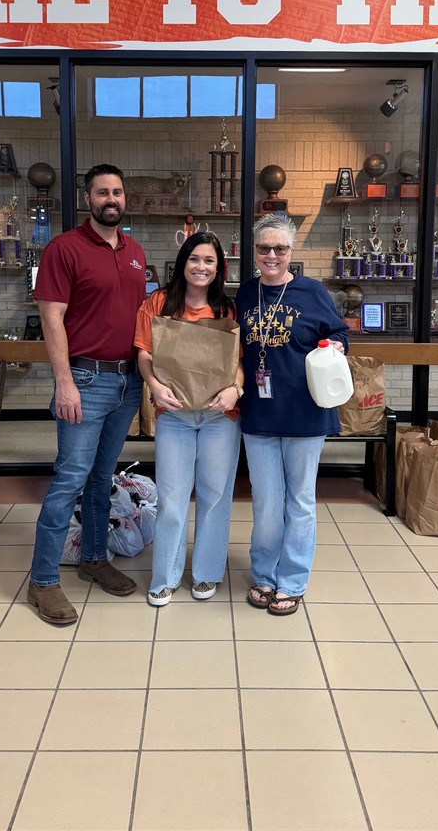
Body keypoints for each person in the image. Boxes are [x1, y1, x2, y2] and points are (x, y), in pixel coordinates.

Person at [28, 164, 145, 625]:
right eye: (102, 192)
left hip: (127, 382)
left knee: (102, 479)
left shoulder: (134, 251)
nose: (110, 199)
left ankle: (94, 558)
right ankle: (42, 581)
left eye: (117, 191)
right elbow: (51, 319)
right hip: (86, 380)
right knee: (69, 481)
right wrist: (64, 382)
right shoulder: (65, 249)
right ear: (88, 199)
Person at [235, 214, 348, 616]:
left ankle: (293, 581)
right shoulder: (245, 294)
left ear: (290, 251)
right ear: (255, 252)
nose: (271, 255)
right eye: (264, 248)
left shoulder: (312, 292)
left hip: (305, 414)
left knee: (299, 500)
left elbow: (339, 333)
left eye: (279, 248)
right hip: (259, 414)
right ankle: (265, 575)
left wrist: (335, 347)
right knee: (266, 501)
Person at [135, 232, 243, 606]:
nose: (201, 267)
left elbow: (239, 363)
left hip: (220, 416)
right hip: (175, 416)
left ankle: (206, 573)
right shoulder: (159, 302)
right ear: (183, 262)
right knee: (171, 497)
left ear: (219, 268)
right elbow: (145, 354)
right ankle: (165, 577)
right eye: (195, 259)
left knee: (215, 497)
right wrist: (152, 384)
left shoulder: (227, 310)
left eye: (209, 261)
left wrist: (235, 391)